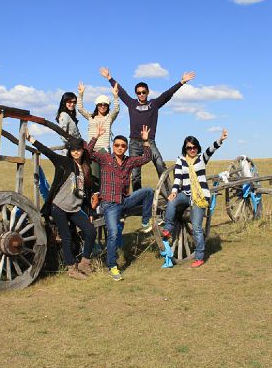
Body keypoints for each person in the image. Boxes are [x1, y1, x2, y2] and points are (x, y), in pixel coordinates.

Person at [99, 67, 196, 222]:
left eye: (144, 92)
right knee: (135, 173)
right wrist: (109, 78)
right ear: (136, 94)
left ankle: (170, 193)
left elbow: (167, 94)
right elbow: (121, 92)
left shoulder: (154, 104)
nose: (141, 94)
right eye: (139, 92)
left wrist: (181, 82)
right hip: (134, 142)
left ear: (148, 92)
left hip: (149, 142)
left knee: (160, 164)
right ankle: (138, 199)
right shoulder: (132, 104)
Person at [85, 124, 154, 281]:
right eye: (117, 145)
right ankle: (112, 266)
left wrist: (145, 141)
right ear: (113, 146)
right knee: (114, 233)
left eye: (123, 146)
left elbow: (146, 158)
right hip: (110, 204)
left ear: (126, 148)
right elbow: (88, 153)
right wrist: (96, 136)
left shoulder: (129, 161)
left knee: (148, 191)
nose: (120, 148)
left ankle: (145, 222)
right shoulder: (105, 159)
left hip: (124, 200)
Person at [26, 132, 96, 280]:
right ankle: (72, 269)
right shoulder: (64, 162)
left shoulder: (85, 168)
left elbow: (86, 193)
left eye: (78, 149)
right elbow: (48, 152)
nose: (75, 152)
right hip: (59, 207)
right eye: (73, 149)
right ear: (70, 151)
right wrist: (32, 139)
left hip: (75, 208)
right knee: (66, 237)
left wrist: (89, 212)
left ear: (82, 150)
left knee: (90, 230)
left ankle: (85, 263)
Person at [162, 129, 228, 268]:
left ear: (197, 147)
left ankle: (199, 257)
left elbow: (211, 149)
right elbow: (178, 178)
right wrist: (174, 192)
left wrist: (220, 139)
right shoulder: (181, 160)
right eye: (189, 148)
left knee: (197, 227)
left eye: (194, 147)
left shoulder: (201, 159)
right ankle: (168, 228)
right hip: (186, 194)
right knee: (172, 201)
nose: (192, 150)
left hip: (200, 196)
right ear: (185, 148)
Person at [77, 80, 120, 205]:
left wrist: (115, 96)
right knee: (91, 175)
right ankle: (93, 199)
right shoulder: (91, 117)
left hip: (103, 149)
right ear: (96, 105)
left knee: (103, 176)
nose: (102, 106)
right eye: (100, 104)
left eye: (105, 105)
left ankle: (101, 199)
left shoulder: (109, 118)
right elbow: (80, 108)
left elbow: (116, 109)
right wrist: (81, 94)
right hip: (91, 149)